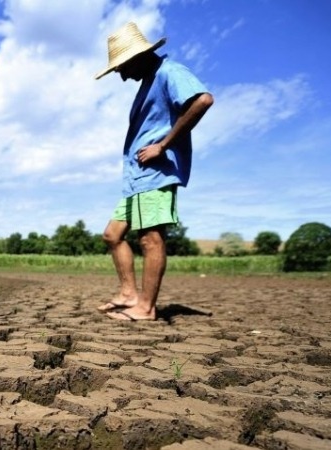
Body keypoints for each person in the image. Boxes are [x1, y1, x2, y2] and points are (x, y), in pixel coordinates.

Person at [94, 22, 214, 321]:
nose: (121, 76)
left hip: (155, 173)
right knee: (112, 235)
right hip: (136, 176)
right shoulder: (149, 80)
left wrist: (163, 145)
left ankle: (145, 308)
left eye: (121, 67)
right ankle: (128, 294)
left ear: (138, 56)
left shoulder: (168, 72)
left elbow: (203, 100)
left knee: (150, 239)